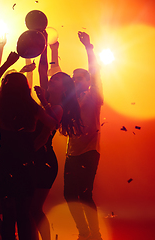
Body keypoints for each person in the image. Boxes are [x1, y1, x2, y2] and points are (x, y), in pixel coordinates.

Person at [0, 51, 59, 240]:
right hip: (27, 163)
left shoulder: (2, 104)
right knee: (24, 212)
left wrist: (7, 63)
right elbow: (52, 124)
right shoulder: (32, 107)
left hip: (6, 162)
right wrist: (39, 142)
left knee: (9, 213)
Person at [32, 31, 82, 240]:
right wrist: (42, 44)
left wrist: (42, 101)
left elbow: (45, 129)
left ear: (64, 89)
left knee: (34, 209)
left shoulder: (58, 107)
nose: (51, 78)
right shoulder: (47, 94)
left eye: (56, 79)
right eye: (52, 78)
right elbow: (43, 68)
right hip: (34, 156)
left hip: (43, 159)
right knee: (27, 209)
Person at [63, 32, 104, 240]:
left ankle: (94, 233)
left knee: (85, 194)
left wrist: (89, 47)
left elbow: (95, 72)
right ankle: (83, 231)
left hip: (89, 151)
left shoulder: (94, 94)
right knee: (69, 195)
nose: (76, 80)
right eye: (74, 77)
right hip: (72, 152)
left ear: (88, 80)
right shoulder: (71, 100)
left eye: (80, 77)